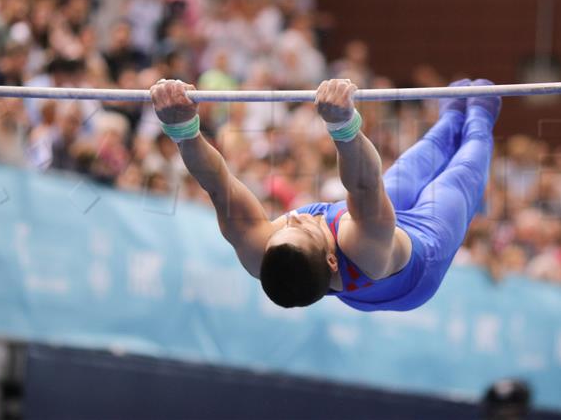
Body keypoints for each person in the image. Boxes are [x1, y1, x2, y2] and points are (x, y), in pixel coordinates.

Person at [150, 77, 500, 311]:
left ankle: (452, 114)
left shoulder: (260, 249)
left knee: (416, 163)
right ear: (332, 261)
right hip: (420, 263)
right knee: (460, 173)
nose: (298, 216)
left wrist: (182, 127)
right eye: (302, 227)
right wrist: (343, 126)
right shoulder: (363, 249)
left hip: (374, 232)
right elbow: (365, 184)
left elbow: (217, 183)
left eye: (285, 224)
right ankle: (481, 115)